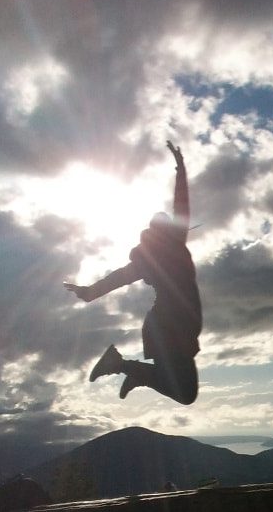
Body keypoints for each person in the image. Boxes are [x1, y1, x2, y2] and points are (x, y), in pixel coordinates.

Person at [64, 141, 202, 405]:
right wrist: (181, 168)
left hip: (173, 327)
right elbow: (181, 205)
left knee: (186, 392)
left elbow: (118, 277)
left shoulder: (151, 258)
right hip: (169, 327)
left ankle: (130, 370)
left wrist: (89, 293)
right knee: (185, 393)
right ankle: (120, 365)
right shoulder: (169, 248)